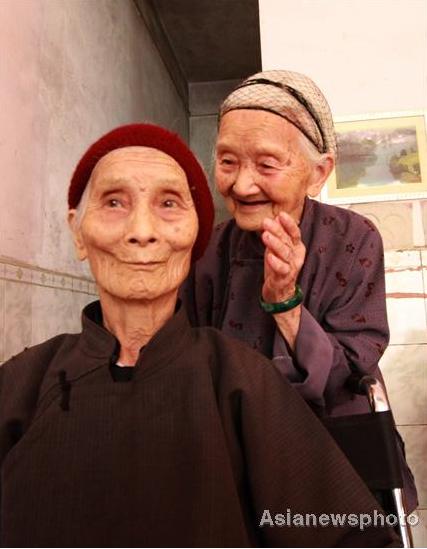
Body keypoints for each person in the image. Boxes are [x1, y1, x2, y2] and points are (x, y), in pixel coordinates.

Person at [0, 123, 400, 547]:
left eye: (169, 204)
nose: (142, 230)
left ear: (194, 239)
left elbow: (346, 535)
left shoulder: (241, 381)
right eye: (114, 202)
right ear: (78, 231)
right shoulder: (24, 381)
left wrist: (285, 302)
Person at [179, 70, 417, 511]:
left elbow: (352, 365)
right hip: (236, 449)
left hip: (334, 445)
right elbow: (189, 358)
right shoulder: (207, 248)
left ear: (318, 171)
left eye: (266, 165)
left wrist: (286, 302)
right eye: (227, 161)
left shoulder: (354, 238)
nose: (242, 184)